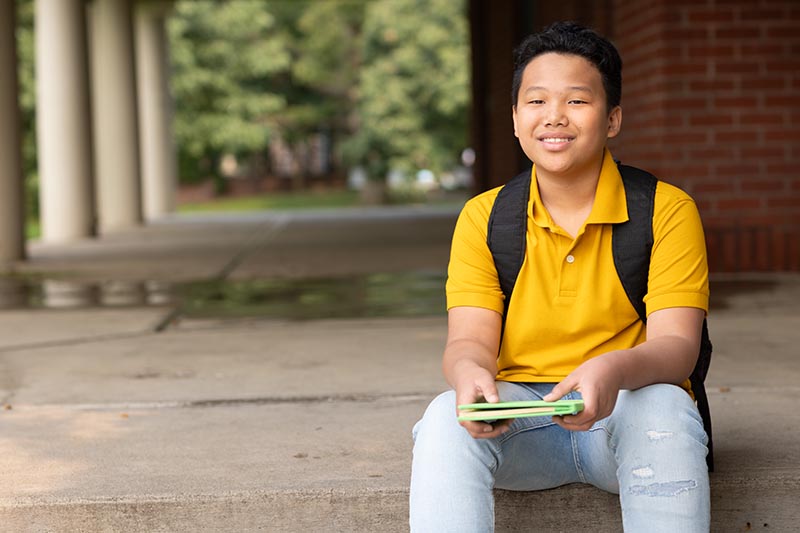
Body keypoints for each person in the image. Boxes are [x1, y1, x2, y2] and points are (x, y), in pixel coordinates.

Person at [409, 21, 710, 532]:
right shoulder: (485, 217)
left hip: (626, 419)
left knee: (664, 404)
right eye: (536, 101)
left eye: (576, 101)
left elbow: (678, 347)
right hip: (522, 427)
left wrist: (611, 370)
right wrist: (469, 377)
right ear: (514, 118)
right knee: (443, 417)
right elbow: (468, 340)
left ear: (612, 119)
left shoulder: (666, 210)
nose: (554, 118)